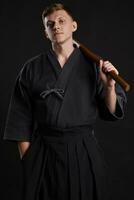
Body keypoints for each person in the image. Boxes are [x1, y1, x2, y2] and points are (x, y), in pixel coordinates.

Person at [3, 3, 127, 200]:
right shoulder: (31, 69)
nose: (56, 27)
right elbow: (19, 119)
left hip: (83, 151)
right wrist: (29, 160)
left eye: (62, 21)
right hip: (43, 152)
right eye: (50, 24)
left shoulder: (95, 65)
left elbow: (111, 110)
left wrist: (110, 86)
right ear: (46, 33)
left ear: (74, 26)